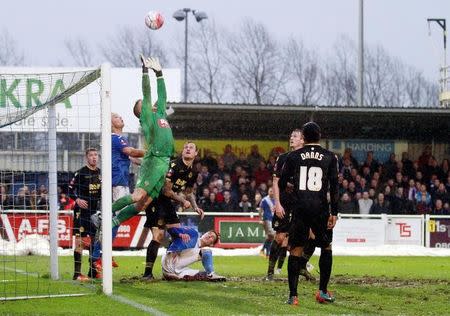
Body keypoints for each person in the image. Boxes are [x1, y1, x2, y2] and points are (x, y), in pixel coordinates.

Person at [92, 55, 174, 273]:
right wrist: (145, 72)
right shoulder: (147, 115)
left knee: (141, 205)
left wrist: (160, 73)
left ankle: (112, 220)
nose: (150, 103)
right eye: (144, 104)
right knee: (138, 196)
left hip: (164, 161)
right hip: (154, 159)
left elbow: (162, 94)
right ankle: (104, 214)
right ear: (141, 111)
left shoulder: (162, 113)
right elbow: (147, 94)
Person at [280, 122, 339, 305]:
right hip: (320, 208)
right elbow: (335, 187)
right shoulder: (330, 157)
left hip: (300, 208)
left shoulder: (293, 156)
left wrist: (292, 195)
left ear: (303, 137)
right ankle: (322, 292)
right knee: (326, 247)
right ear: (319, 136)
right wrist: (334, 212)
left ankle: (293, 296)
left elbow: (282, 184)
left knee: (295, 249)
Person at [142, 141, 204, 281]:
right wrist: (182, 201)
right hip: (155, 199)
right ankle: (147, 274)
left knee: (179, 234)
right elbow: (166, 190)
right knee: (158, 236)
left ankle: (170, 269)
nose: (187, 149)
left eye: (191, 148)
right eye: (186, 147)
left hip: (167, 203)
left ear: (196, 153)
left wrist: (195, 207)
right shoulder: (174, 165)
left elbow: (188, 192)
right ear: (182, 151)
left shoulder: (192, 172)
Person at [267, 129, 315, 281]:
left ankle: (302, 266)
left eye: (295, 136)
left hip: (303, 205)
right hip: (285, 204)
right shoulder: (283, 158)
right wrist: (278, 203)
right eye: (291, 136)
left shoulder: (310, 160)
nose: (291, 138)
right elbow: (275, 182)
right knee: (280, 237)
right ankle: (270, 273)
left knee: (312, 236)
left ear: (303, 140)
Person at [68, 148, 101, 281]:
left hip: (95, 213)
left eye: (96, 155)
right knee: (81, 242)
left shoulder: (101, 173)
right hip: (81, 213)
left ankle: (92, 271)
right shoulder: (80, 173)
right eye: (91, 155)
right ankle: (77, 274)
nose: (94, 157)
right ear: (86, 157)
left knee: (95, 242)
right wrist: (77, 199)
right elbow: (69, 189)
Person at [161, 226, 225, 281]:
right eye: (209, 233)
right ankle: (211, 274)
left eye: (212, 237)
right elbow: (170, 229)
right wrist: (179, 235)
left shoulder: (196, 247)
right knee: (207, 251)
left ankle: (172, 276)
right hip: (170, 260)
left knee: (204, 274)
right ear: (204, 234)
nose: (209, 236)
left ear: (212, 244)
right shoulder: (194, 234)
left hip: (175, 267)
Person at [259, 187, 275, 257]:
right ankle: (265, 251)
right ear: (268, 192)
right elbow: (260, 209)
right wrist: (261, 219)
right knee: (272, 235)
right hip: (266, 219)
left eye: (272, 191)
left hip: (273, 220)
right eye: (270, 191)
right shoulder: (265, 200)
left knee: (270, 237)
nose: (272, 192)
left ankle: (266, 253)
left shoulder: (276, 200)